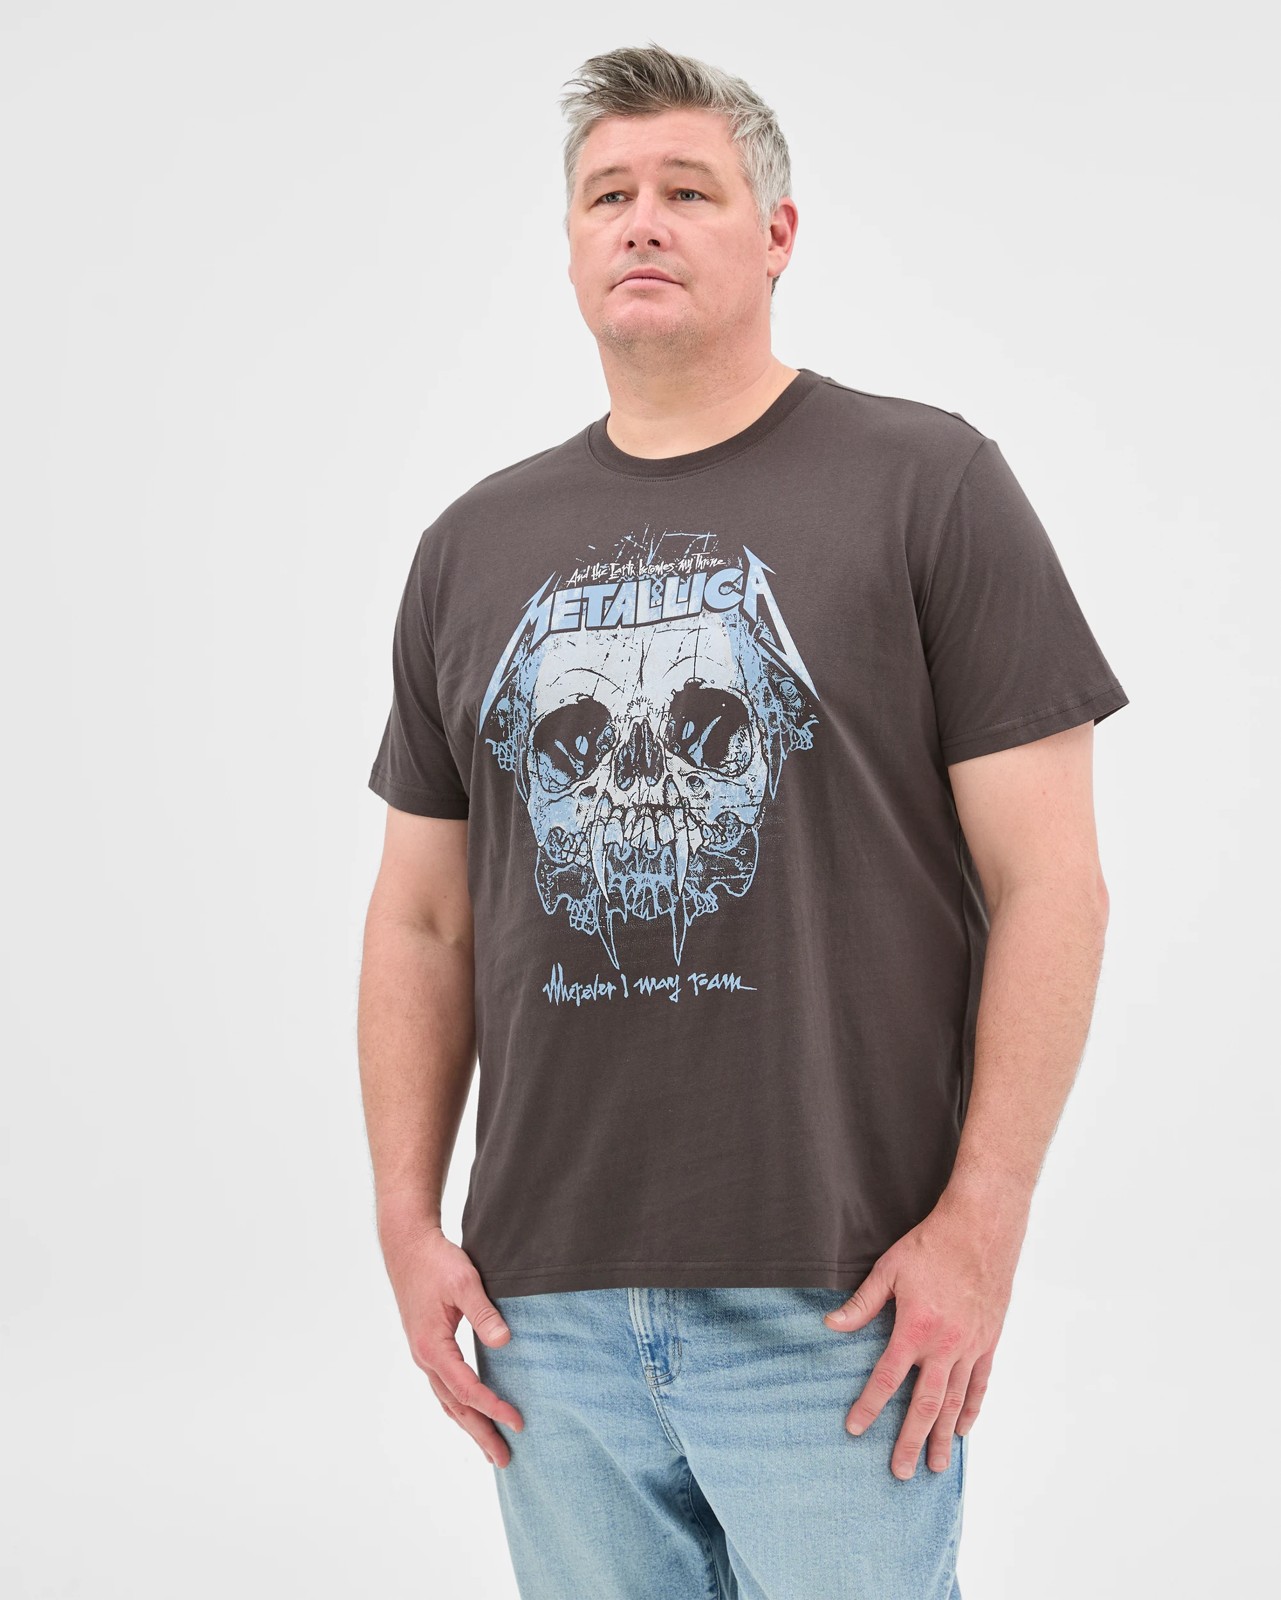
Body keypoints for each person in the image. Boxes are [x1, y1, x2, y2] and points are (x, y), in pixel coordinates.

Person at [357, 41, 1129, 1600]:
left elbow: (1051, 882)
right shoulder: (469, 545)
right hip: (543, 1304)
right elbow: (422, 916)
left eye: (687, 190)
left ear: (775, 235)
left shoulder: (926, 485)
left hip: (838, 1299)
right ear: (570, 245)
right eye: (606, 195)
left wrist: (980, 1221)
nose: (641, 220)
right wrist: (403, 1219)